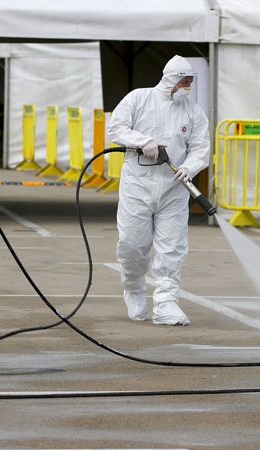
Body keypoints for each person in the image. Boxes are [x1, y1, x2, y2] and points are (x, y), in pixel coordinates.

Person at [107, 55, 210, 326]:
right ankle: (134, 288)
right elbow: (116, 128)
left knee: (172, 247)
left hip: (174, 187)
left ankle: (166, 303)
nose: (187, 86)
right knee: (132, 244)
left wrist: (190, 167)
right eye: (183, 81)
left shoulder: (193, 111)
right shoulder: (138, 99)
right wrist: (143, 141)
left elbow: (200, 147)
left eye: (190, 82)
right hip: (137, 185)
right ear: (170, 79)